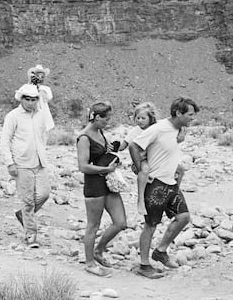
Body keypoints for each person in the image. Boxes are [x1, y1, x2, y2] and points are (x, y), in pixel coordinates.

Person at [129, 97, 199, 279]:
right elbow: (133, 145)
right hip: (156, 184)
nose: (193, 118)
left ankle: (160, 251)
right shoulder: (158, 128)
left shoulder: (179, 129)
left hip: (171, 183)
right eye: (190, 115)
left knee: (183, 217)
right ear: (178, 113)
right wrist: (139, 167)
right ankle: (143, 265)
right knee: (150, 225)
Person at [76, 102, 127, 278]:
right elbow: (82, 166)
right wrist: (105, 169)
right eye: (107, 119)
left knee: (120, 222)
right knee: (93, 226)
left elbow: (102, 155)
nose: (108, 122)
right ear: (97, 117)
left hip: (107, 182)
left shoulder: (99, 132)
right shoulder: (84, 137)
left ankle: (98, 250)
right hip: (94, 184)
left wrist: (113, 159)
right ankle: (89, 263)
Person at [0, 84, 50, 248]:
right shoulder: (13, 116)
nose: (30, 102)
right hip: (21, 163)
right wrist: (10, 163)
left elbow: (43, 135)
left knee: (43, 194)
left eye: (34, 99)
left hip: (39, 161)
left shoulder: (41, 115)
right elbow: (5, 141)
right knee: (27, 200)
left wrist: (43, 151)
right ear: (21, 99)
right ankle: (31, 234)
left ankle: (22, 215)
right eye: (27, 99)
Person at [119, 102, 186, 215]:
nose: (139, 120)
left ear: (151, 118)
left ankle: (174, 193)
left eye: (143, 118)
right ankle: (140, 200)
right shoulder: (135, 131)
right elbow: (124, 145)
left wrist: (181, 134)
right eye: (137, 118)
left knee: (180, 170)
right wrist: (114, 146)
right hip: (141, 160)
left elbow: (178, 124)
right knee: (144, 170)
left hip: (157, 159)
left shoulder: (158, 126)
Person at [25, 64, 55, 133]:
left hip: (43, 114)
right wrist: (30, 83)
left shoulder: (46, 89)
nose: (39, 77)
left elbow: (49, 97)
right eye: (37, 75)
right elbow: (20, 96)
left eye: (42, 76)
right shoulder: (28, 87)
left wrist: (39, 88)